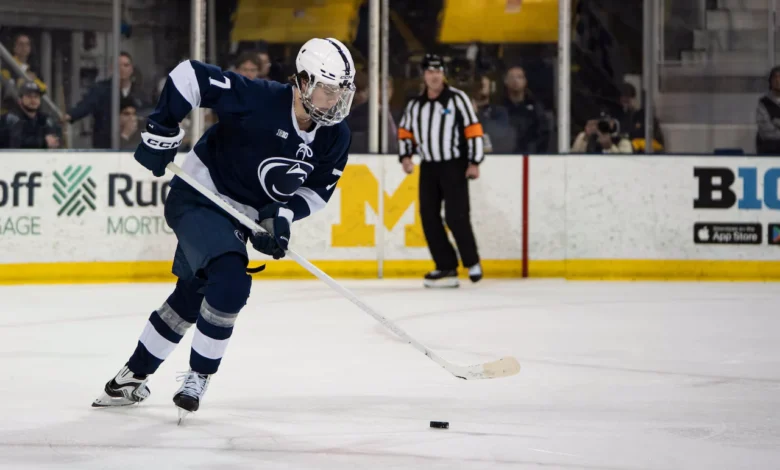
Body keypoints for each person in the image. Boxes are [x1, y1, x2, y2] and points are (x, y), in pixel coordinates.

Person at [92, 37, 355, 420]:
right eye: (328, 89)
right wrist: (163, 129)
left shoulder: (336, 135)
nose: (335, 100)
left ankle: (129, 379)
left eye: (341, 91)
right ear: (302, 80)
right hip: (199, 197)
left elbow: (316, 191)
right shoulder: (260, 98)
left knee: (192, 297)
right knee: (231, 281)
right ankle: (198, 376)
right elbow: (189, 76)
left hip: (239, 217)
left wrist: (281, 216)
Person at [398, 53, 484, 288]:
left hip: (454, 165)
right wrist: (406, 157)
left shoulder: (457, 99)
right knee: (429, 217)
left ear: (443, 74)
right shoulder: (415, 105)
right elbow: (405, 131)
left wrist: (474, 161)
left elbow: (473, 129)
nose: (434, 76)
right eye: (430, 71)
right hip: (429, 166)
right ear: (424, 75)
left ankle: (472, 262)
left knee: (457, 215)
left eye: (438, 71)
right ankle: (446, 266)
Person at [64, 51, 145, 149]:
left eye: (126, 65)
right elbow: (86, 105)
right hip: (105, 146)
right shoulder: (101, 89)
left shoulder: (139, 93)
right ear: (111, 68)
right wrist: (70, 115)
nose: (122, 69)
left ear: (131, 69)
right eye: (118, 66)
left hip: (134, 147)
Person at [0, 81, 59, 149]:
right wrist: (44, 141)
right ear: (20, 100)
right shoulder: (10, 118)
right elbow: (17, 142)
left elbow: (55, 136)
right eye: (29, 96)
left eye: (36, 97)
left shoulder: (44, 118)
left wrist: (53, 140)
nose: (33, 100)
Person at [504, 66, 549, 154]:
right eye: (512, 77)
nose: (515, 80)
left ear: (525, 81)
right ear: (506, 81)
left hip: (531, 154)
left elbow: (543, 133)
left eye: (519, 77)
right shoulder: (500, 107)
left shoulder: (535, 107)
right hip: (505, 155)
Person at [756, 66, 780, 154]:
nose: (778, 80)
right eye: (775, 77)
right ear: (770, 81)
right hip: (769, 150)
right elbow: (765, 131)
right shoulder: (763, 103)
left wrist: (775, 121)